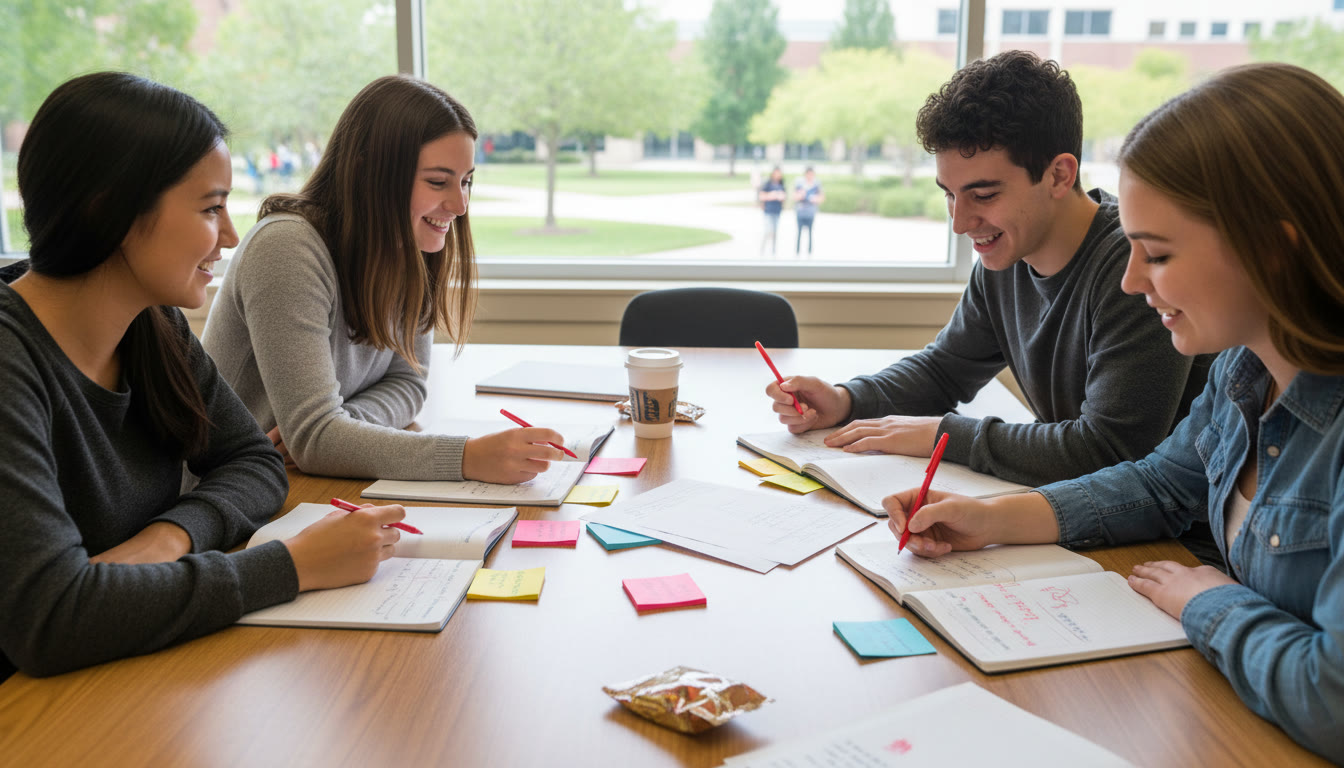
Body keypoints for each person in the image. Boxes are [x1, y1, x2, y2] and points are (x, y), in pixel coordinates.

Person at [889, 63, 1344, 763]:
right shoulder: (1242, 369)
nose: (1132, 280)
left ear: (1274, 250)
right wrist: (993, 521)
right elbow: (1159, 484)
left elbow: (1333, 701)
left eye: (1156, 254)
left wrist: (1208, 604)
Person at [0, 73, 408, 679]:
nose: (230, 236)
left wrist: (170, 536)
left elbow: (253, 461)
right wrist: (292, 566)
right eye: (210, 207)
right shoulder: (11, 362)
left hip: (132, 673)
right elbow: (51, 618)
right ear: (109, 208)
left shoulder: (152, 323)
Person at [765, 51, 1217, 562]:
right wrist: (848, 399)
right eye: (949, 195)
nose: (960, 223)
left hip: (1170, 545)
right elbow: (945, 369)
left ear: (1058, 175)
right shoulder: (1006, 256)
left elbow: (1109, 450)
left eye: (982, 194)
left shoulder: (1130, 270)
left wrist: (944, 435)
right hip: (1086, 523)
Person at [203, 76, 566, 483]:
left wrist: (345, 426)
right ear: (368, 172)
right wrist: (467, 457)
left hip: (299, 483)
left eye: (465, 181)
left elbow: (409, 383)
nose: (460, 205)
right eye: (437, 181)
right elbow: (316, 440)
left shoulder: (408, 247)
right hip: (228, 494)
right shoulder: (286, 247)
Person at [793, 166, 823, 255]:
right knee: (799, 233)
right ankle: (797, 252)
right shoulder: (799, 183)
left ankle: (809, 253)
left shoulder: (816, 184)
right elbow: (794, 196)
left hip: (811, 212)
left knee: (810, 233)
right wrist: (801, 194)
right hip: (800, 212)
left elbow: (821, 197)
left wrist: (815, 199)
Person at [758, 166, 787, 256]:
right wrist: (772, 195)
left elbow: (784, 197)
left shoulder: (782, 185)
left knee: (775, 231)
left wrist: (781, 197)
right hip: (768, 211)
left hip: (777, 211)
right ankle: (762, 250)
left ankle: (773, 251)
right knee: (768, 231)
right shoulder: (768, 184)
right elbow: (762, 196)